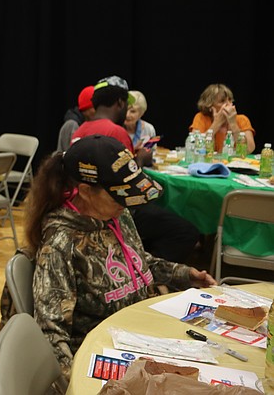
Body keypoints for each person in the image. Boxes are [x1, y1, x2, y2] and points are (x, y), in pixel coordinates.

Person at [27, 135, 215, 381]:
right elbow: (51, 334)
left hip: (138, 339)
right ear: (84, 191)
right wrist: (77, 384)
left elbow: (138, 261)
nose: (126, 204)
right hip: (100, 359)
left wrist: (185, 274)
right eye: (119, 196)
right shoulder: (60, 244)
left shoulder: (117, 215)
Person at [73, 75, 200, 263]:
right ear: (119, 103)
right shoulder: (116, 132)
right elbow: (128, 184)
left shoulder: (80, 129)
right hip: (113, 210)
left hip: (85, 207)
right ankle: (146, 272)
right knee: (185, 231)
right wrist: (140, 159)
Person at [190, 83, 256, 154]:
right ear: (210, 106)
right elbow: (194, 147)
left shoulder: (242, 119)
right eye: (222, 101)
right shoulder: (200, 118)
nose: (228, 104)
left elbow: (250, 149)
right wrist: (216, 124)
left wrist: (233, 124)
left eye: (230, 100)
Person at [56, 85, 95, 152]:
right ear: (87, 108)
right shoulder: (72, 125)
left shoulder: (89, 124)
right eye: (95, 108)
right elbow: (70, 156)